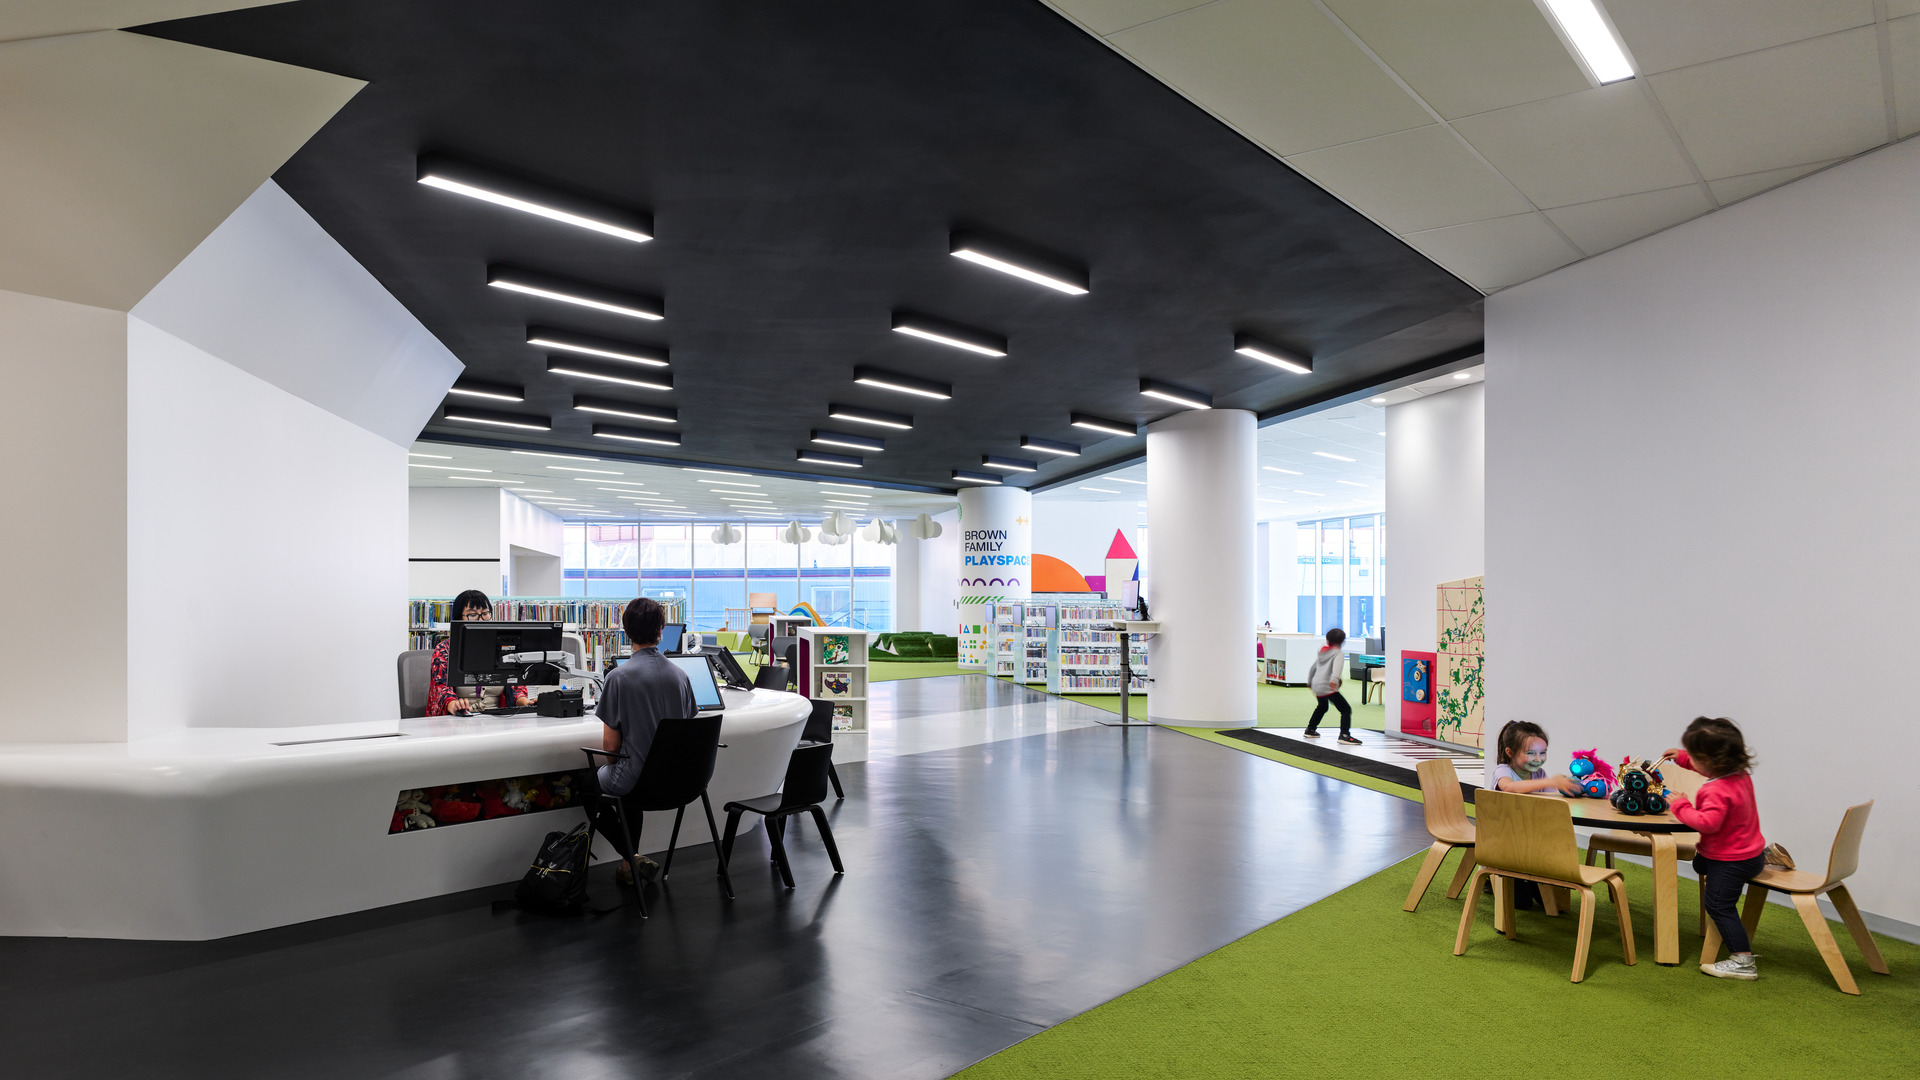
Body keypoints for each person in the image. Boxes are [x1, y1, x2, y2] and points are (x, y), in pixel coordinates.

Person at [585, 597, 698, 886]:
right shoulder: (681, 677)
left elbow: (611, 749)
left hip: (637, 783)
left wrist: (620, 764)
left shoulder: (618, 678)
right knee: (631, 776)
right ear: (661, 630)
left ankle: (631, 856)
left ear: (626, 632)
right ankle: (629, 866)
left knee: (587, 785)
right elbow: (687, 728)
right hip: (682, 783)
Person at [1662, 717, 1766, 981]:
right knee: (1700, 863)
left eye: (1694, 756)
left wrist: (1681, 805)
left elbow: (1707, 823)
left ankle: (1743, 961)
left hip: (1731, 861)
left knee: (1719, 905)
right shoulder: (1738, 774)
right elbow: (1708, 768)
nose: (1691, 760)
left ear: (1709, 761)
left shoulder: (1716, 790)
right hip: (1749, 852)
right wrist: (1683, 758)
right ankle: (1769, 856)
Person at [426, 589, 528, 716]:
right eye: (472, 614)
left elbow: (516, 686)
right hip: (460, 718)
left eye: (485, 613)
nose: (481, 620)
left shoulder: (502, 648)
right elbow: (441, 690)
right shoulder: (444, 650)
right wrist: (453, 704)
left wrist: (525, 702)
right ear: (459, 618)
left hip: (499, 718)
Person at [1489, 720, 1584, 796]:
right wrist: (1551, 782)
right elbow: (1508, 787)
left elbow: (1550, 800)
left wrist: (1568, 787)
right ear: (1510, 753)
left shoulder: (1540, 774)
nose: (1538, 759)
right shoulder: (1503, 770)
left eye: (1542, 753)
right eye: (1530, 753)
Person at [1303, 628, 1361, 744]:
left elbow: (1313, 668)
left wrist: (1310, 681)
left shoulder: (1323, 652)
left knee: (1322, 706)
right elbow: (1337, 668)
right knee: (1345, 709)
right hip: (1327, 685)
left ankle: (1310, 729)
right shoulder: (1338, 654)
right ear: (1342, 641)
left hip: (1317, 684)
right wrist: (1334, 680)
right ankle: (1344, 735)